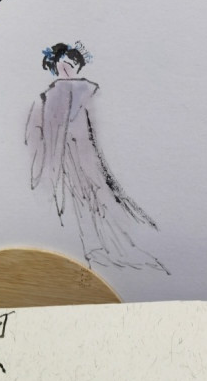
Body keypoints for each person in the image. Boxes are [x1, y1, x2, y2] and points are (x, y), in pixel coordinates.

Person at [25, 42, 169, 274]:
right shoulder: (48, 95)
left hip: (87, 154)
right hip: (64, 157)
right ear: (55, 64)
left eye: (73, 63)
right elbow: (41, 132)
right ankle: (90, 246)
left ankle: (111, 245)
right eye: (64, 62)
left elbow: (98, 128)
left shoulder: (88, 89)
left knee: (101, 196)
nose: (68, 67)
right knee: (77, 200)